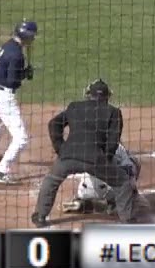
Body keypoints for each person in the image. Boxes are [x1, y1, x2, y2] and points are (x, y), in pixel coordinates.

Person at [31, 79, 139, 227]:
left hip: (68, 156)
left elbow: (54, 124)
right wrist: (105, 158)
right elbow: (113, 141)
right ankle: (127, 220)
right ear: (107, 96)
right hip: (95, 159)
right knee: (122, 183)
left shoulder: (74, 106)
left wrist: (61, 149)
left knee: (51, 180)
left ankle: (40, 216)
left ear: (89, 94)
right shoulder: (113, 112)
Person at [0, 19, 38, 185]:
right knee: (21, 138)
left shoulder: (8, 45)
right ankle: (1, 172)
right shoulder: (17, 55)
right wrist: (25, 74)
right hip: (5, 97)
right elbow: (13, 81)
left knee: (0, 124)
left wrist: (23, 72)